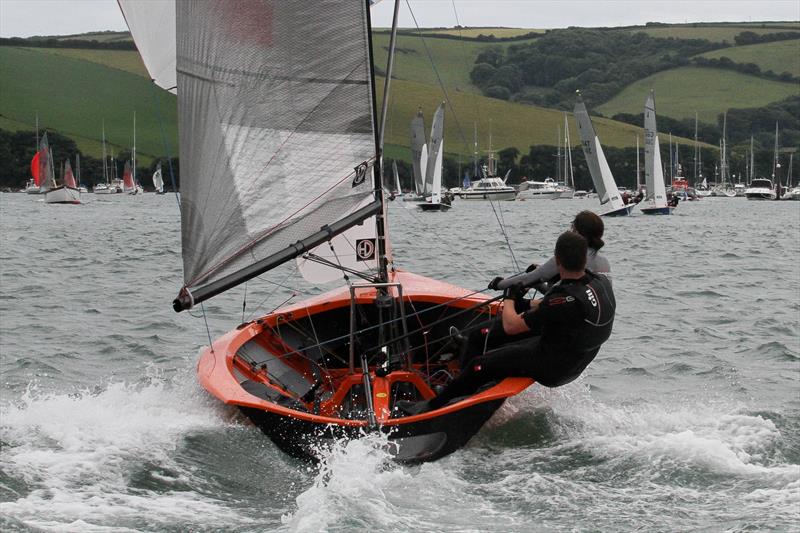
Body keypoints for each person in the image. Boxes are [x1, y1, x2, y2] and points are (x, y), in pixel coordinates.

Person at [398, 232, 616, 415]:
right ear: (584, 261)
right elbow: (550, 308)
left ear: (557, 260)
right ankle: (469, 372)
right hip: (573, 356)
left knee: (478, 365)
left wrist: (511, 296)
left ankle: (434, 404)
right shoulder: (599, 282)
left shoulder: (560, 301)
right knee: (481, 334)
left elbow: (512, 325)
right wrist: (524, 302)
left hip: (552, 367)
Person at [451, 210, 611, 367]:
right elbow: (566, 295)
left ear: (578, 232)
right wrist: (539, 282)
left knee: (488, 328)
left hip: (556, 327)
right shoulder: (604, 263)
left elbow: (528, 279)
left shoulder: (571, 255)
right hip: (578, 333)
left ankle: (467, 359)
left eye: (572, 227)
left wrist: (499, 284)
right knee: (522, 307)